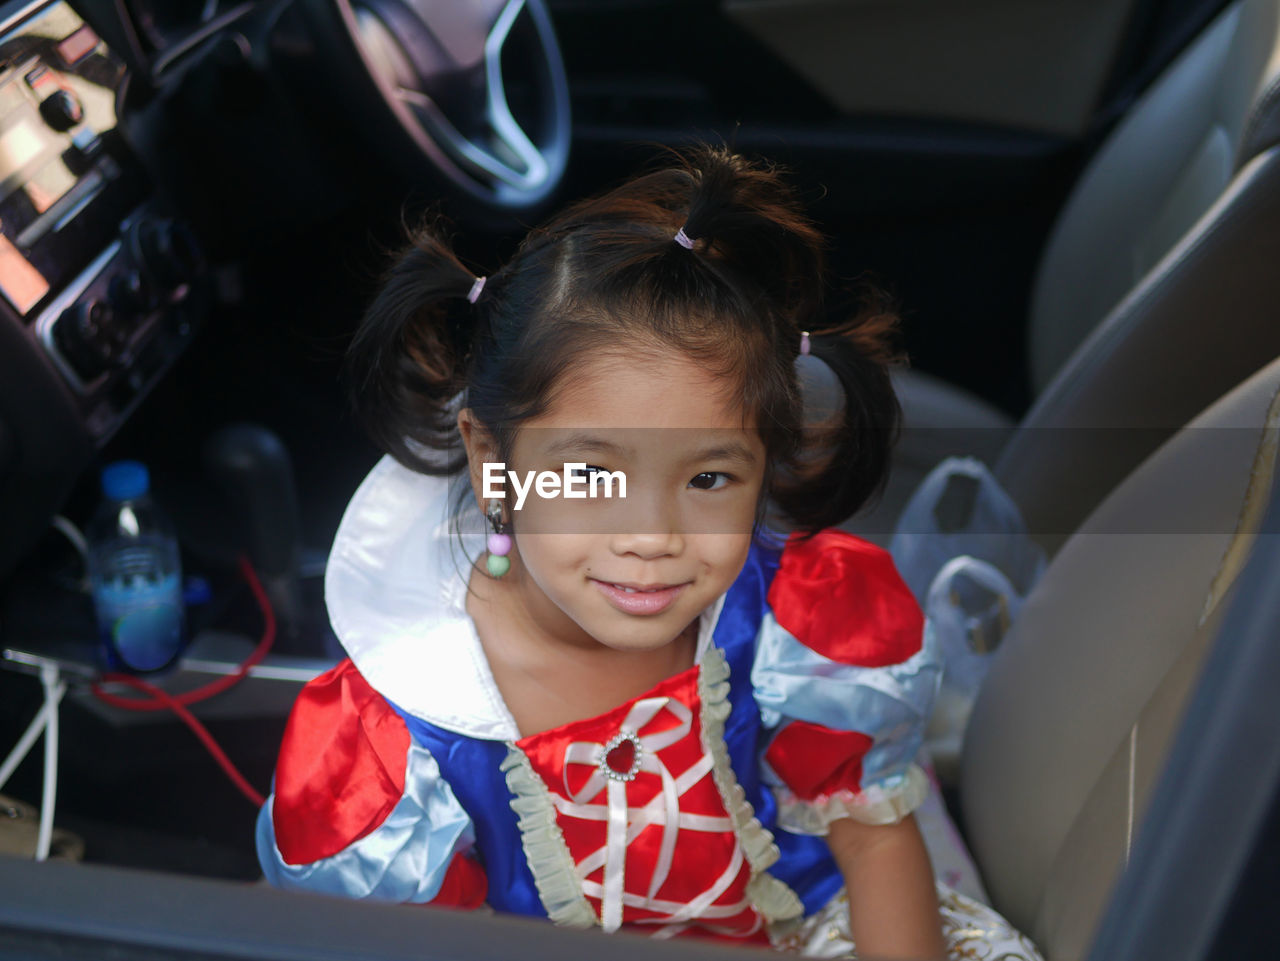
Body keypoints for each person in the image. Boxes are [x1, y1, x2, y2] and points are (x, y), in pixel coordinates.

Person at [256, 147, 1043, 960]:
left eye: (708, 476)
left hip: (804, 928)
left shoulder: (792, 621)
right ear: (492, 459)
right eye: (593, 472)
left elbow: (874, 843)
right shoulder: (403, 734)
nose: (654, 536)